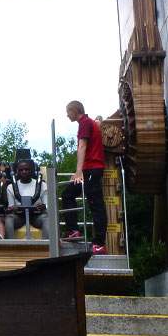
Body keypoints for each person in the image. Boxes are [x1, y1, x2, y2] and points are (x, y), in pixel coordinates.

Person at [62, 100, 107, 254]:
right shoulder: (89, 122)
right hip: (89, 170)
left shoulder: (84, 123)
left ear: (75, 111)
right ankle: (73, 230)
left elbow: (82, 146)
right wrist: (78, 172)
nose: (67, 115)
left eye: (68, 111)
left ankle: (99, 243)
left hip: (91, 170)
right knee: (67, 194)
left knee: (96, 205)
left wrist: (78, 172)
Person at [5, 159, 48, 239]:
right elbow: (11, 206)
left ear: (32, 171)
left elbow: (47, 204)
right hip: (19, 216)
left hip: (37, 215)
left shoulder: (42, 185)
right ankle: (10, 247)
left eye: (27, 169)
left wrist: (43, 206)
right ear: (17, 171)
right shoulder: (10, 187)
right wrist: (13, 208)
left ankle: (46, 247)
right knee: (8, 220)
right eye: (21, 170)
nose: (24, 172)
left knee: (47, 220)